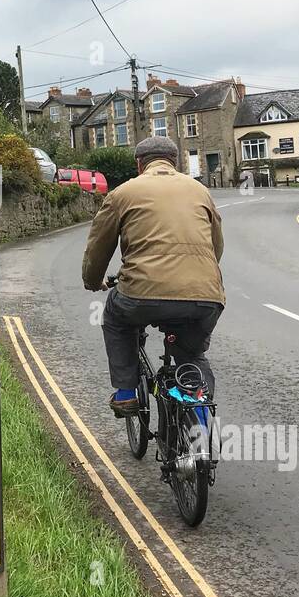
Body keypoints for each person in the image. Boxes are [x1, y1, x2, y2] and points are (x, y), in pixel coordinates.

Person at [82, 135, 225, 415]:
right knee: (192, 355)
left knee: (115, 318)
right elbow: (215, 246)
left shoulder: (122, 193)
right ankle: (202, 425)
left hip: (140, 296)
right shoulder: (200, 191)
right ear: (175, 162)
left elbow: (98, 247)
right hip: (205, 297)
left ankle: (125, 393)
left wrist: (92, 281)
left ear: (139, 164)